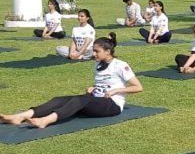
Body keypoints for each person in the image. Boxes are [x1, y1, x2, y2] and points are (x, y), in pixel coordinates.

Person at [0, 33, 143, 129]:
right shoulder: (98, 65)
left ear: (108, 51)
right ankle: (20, 116)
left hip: (112, 105)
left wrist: (117, 90)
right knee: (59, 100)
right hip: (96, 99)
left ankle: (45, 121)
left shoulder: (120, 65)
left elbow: (138, 87)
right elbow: (104, 83)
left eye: (97, 51)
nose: (94, 54)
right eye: (93, 50)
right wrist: (93, 87)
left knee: (79, 101)